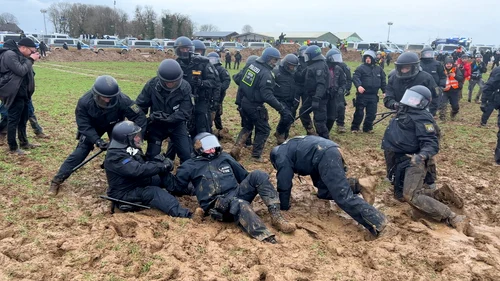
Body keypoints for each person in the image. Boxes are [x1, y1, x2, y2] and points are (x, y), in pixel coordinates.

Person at [175, 132, 296, 243]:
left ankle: (277, 217)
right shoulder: (189, 166)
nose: (212, 149)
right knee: (239, 203)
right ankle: (265, 236)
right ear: (198, 149)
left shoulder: (224, 157)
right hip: (217, 204)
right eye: (207, 147)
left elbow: (243, 176)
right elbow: (178, 186)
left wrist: (255, 185)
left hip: (235, 193)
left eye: (213, 146)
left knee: (258, 174)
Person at [381, 85, 467, 231]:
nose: (411, 101)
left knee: (411, 196)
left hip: (413, 160)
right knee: (400, 196)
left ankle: (452, 217)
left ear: (423, 102)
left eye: (415, 99)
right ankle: (440, 194)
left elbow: (431, 143)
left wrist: (422, 156)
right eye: (410, 97)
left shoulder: (423, 118)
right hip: (397, 157)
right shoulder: (403, 111)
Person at [270, 135, 387, 237]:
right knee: (323, 190)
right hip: (324, 152)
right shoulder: (288, 146)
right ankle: (358, 185)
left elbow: (284, 183)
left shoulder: (281, 156)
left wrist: (283, 206)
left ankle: (378, 222)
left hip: (324, 154)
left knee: (342, 196)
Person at [49, 75, 147, 195]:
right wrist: (97, 140)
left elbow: (139, 116)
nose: (107, 100)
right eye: (104, 97)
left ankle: (143, 178)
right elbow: (84, 125)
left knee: (131, 150)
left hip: (115, 125)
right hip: (93, 127)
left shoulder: (123, 100)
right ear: (96, 94)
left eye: (110, 98)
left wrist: (133, 136)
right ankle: (57, 180)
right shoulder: (84, 102)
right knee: (81, 151)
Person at [104, 120, 192, 217]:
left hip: (136, 182)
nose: (138, 138)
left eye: (138, 135)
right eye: (135, 136)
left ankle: (185, 189)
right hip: (125, 192)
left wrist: (159, 164)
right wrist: (162, 166)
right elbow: (137, 170)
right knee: (154, 192)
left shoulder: (129, 148)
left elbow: (144, 164)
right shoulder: (115, 156)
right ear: (126, 139)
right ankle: (183, 214)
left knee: (161, 177)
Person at [230, 47, 293, 162]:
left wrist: (251, 89)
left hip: (244, 101)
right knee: (264, 129)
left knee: (248, 126)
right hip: (255, 105)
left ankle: (236, 147)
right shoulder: (266, 73)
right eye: (274, 60)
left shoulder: (252, 65)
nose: (276, 63)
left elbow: (238, 78)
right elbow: (267, 96)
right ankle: (256, 155)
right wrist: (281, 108)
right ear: (268, 59)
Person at [135, 59, 193, 162]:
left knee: (187, 154)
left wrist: (170, 118)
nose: (170, 84)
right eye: (167, 82)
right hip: (157, 125)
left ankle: (185, 176)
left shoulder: (185, 87)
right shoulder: (152, 85)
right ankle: (154, 176)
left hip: (177, 125)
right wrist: (148, 120)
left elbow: (186, 112)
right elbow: (140, 105)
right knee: (152, 156)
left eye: (173, 82)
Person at [0, 38, 40, 155]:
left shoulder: (18, 55)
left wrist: (29, 59)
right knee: (13, 120)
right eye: (31, 51)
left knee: (23, 119)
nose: (32, 54)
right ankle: (13, 148)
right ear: (22, 47)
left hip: (23, 93)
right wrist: (31, 60)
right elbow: (21, 71)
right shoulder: (9, 54)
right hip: (14, 93)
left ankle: (24, 142)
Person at [174, 36, 219, 136]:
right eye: (182, 49)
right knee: (182, 129)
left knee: (203, 128)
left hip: (200, 100)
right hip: (183, 101)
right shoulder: (176, 64)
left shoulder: (202, 62)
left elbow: (214, 82)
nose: (185, 51)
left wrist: (202, 83)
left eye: (187, 48)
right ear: (177, 50)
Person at [385, 52, 440, 116]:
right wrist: (395, 105)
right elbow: (388, 98)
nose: (404, 70)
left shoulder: (426, 78)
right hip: (400, 113)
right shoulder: (393, 79)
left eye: (407, 68)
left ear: (415, 67)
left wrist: (429, 113)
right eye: (402, 68)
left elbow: (435, 97)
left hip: (421, 114)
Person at [299, 45, 330, 139]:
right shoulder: (312, 65)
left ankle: (325, 140)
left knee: (319, 120)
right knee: (303, 112)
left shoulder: (320, 66)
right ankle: (311, 132)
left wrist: (317, 98)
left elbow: (321, 84)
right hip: (311, 96)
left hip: (319, 98)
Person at [351, 50, 386, 133]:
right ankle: (355, 128)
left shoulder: (379, 69)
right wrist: (359, 86)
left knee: (371, 113)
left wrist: (384, 91)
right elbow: (355, 77)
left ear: (373, 59)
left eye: (369, 58)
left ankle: (367, 128)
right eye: (366, 58)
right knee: (359, 112)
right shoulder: (360, 68)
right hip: (362, 94)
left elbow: (383, 81)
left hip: (373, 95)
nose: (367, 59)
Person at [272, 54, 300, 144]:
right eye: (291, 66)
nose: (293, 68)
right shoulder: (276, 72)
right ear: (286, 64)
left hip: (291, 99)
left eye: (294, 66)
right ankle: (279, 133)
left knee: (290, 118)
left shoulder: (294, 74)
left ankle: (284, 135)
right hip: (280, 99)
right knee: (286, 116)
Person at [207, 52, 232, 139]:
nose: (212, 61)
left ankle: (220, 131)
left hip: (218, 96)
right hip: (208, 95)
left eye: (214, 59)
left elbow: (227, 80)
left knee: (217, 113)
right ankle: (208, 130)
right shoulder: (206, 68)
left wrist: (219, 89)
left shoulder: (221, 69)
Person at [325, 48, 350, 134]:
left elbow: (343, 82)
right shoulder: (324, 68)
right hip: (324, 95)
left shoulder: (338, 69)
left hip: (335, 94)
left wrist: (341, 89)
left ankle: (331, 129)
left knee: (337, 111)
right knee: (323, 115)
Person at [480, 67, 500, 164]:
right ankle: (499, 158)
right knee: (488, 110)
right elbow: (488, 86)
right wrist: (484, 101)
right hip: (496, 98)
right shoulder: (498, 71)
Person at [295, 45, 316, 135]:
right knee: (294, 104)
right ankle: (291, 120)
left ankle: (308, 126)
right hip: (297, 86)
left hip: (306, 87)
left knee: (305, 106)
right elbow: (296, 74)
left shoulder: (309, 62)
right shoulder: (297, 61)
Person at [419, 47, 446, 115]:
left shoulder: (438, 64)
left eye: (429, 54)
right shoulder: (418, 64)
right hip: (420, 88)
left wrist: (441, 86)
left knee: (434, 104)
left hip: (434, 88)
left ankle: (431, 115)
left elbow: (442, 76)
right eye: (426, 54)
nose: (428, 55)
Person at [440, 56, 464, 121]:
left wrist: (455, 76)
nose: (448, 65)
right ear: (445, 64)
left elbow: (461, 78)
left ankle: (453, 114)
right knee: (443, 104)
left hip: (454, 91)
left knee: (455, 107)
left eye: (450, 64)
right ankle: (442, 117)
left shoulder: (456, 70)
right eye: (447, 64)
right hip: (445, 90)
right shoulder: (441, 70)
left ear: (452, 64)